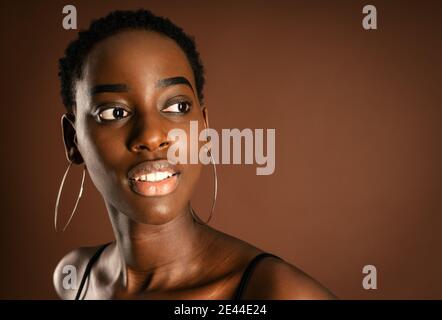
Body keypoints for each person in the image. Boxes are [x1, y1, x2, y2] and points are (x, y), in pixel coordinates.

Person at [53, 9, 336, 300]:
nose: (151, 136)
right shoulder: (75, 277)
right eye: (115, 112)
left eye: (177, 107)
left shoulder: (274, 293)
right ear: (72, 140)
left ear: (204, 128)